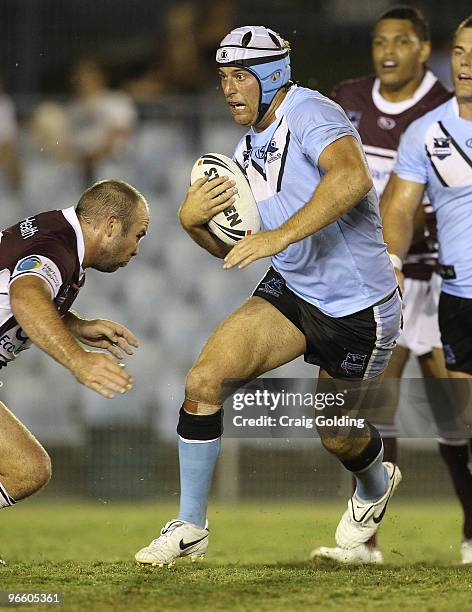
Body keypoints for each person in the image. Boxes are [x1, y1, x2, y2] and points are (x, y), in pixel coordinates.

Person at [135, 25, 402, 568]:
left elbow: (351, 180)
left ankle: (375, 483)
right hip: (292, 291)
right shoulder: (244, 148)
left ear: (273, 74)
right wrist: (192, 224)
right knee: (204, 382)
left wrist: (279, 237)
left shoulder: (311, 112)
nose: (229, 88)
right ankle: (191, 526)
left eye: (241, 76)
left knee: (337, 435)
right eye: (223, 77)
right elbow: (233, 251)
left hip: (359, 309)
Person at [312, 5, 454, 565]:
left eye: (400, 41)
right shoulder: (346, 98)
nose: (388, 50)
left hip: (442, 278)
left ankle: (469, 536)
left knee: (455, 416)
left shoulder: (447, 107)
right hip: (379, 280)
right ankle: (366, 544)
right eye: (378, 41)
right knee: (370, 411)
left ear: (423, 48)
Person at [382, 15, 472, 564]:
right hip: (459, 299)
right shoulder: (427, 131)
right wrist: (392, 259)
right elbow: (398, 206)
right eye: (461, 52)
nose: (466, 63)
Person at [0, 179, 148, 510]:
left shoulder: (58, 233)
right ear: (111, 226)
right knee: (27, 470)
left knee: (27, 468)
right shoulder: (58, 245)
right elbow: (24, 296)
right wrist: (79, 361)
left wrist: (75, 324)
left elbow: (14, 285)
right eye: (138, 234)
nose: (137, 248)